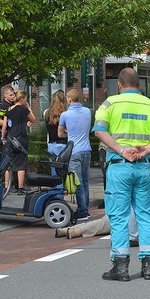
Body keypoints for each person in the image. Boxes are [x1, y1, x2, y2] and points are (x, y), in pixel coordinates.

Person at [93, 67, 150, 281]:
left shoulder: (110, 104)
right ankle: (148, 266)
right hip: (143, 166)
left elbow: (99, 131)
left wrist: (120, 150)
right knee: (145, 215)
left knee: (119, 217)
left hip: (119, 165)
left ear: (119, 84)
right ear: (139, 85)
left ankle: (120, 268)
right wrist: (147, 149)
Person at [58, 88, 92, 221]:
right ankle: (86, 209)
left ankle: (82, 211)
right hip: (87, 150)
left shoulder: (65, 115)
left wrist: (67, 133)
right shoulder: (88, 111)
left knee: (77, 183)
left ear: (69, 99)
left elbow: (60, 133)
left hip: (75, 151)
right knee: (85, 181)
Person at [1, 90, 35, 194]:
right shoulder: (23, 109)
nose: (26, 100)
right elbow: (33, 119)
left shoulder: (8, 109)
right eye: (25, 98)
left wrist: (3, 137)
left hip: (10, 138)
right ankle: (20, 188)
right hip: (21, 139)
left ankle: (7, 186)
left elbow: (5, 125)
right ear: (22, 99)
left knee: (8, 163)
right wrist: (29, 109)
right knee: (21, 164)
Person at [44, 91, 68, 173]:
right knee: (62, 172)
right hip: (61, 144)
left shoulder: (47, 113)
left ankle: (55, 186)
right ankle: (60, 186)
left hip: (51, 145)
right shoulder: (64, 114)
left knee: (54, 172)